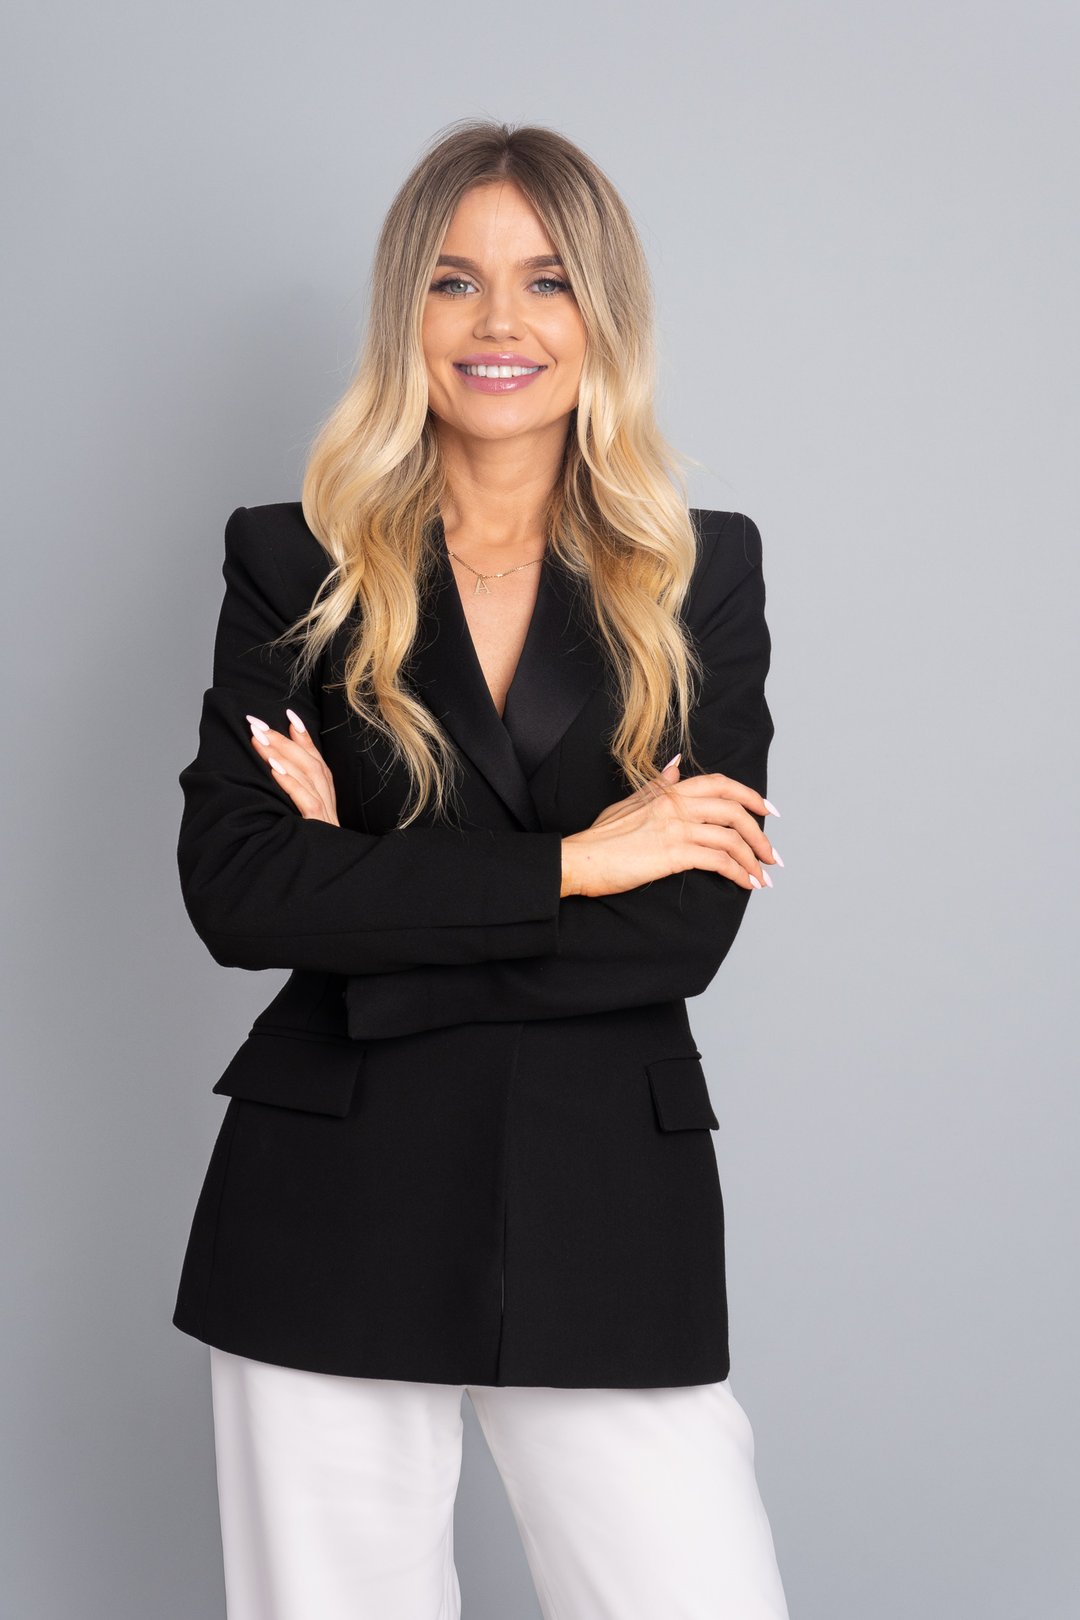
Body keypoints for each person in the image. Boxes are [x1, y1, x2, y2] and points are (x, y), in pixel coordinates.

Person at [173, 118, 791, 1619]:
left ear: (603, 314)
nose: (498, 323)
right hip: (332, 1189)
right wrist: (577, 860)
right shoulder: (293, 563)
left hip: (605, 1191)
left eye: (546, 280)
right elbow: (238, 893)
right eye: (453, 281)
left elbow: (682, 933)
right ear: (407, 315)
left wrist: (366, 888)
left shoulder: (700, 573)